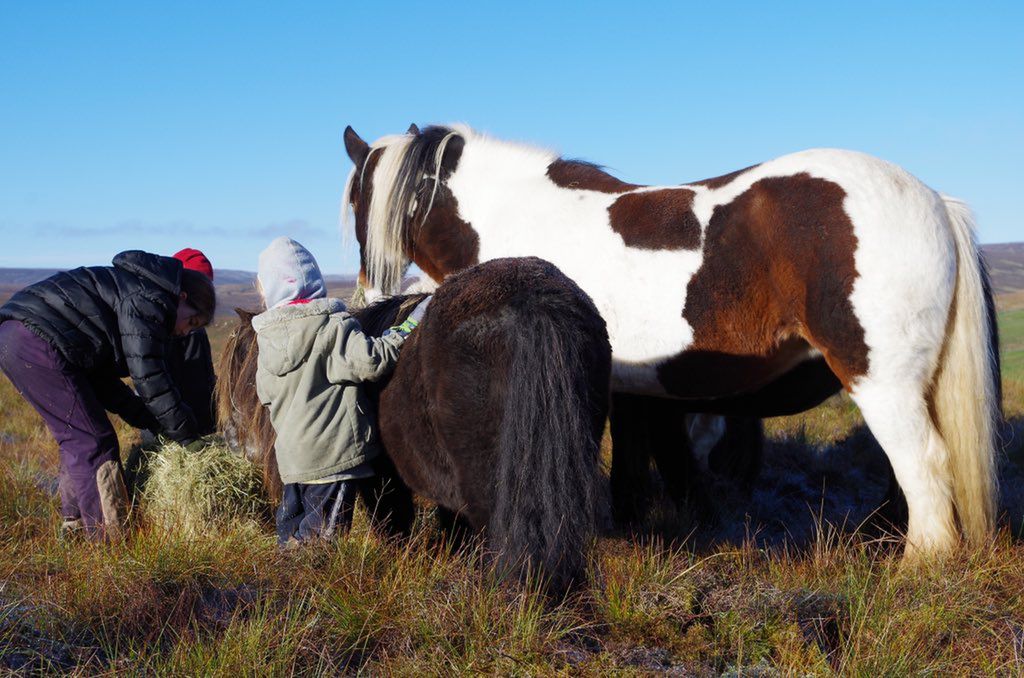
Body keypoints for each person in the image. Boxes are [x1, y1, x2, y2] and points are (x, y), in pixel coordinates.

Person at [0, 250, 216, 540]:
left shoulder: (137, 292)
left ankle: (76, 524)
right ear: (184, 298)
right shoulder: (150, 299)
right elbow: (149, 375)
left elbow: (103, 381)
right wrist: (187, 437)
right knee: (94, 441)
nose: (183, 333)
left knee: (78, 434)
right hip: (35, 340)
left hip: (20, 337)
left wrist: (148, 420)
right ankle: (107, 539)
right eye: (191, 323)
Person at [252, 237, 428, 545]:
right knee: (322, 542)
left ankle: (286, 585)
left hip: (292, 463)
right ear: (314, 281)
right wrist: (408, 326)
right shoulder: (332, 327)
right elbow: (374, 360)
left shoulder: (266, 340)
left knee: (292, 534)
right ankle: (316, 589)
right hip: (331, 460)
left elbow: (265, 395)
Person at [166, 248, 218, 436]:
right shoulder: (189, 331)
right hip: (187, 426)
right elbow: (195, 382)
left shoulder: (189, 327)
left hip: (185, 423)